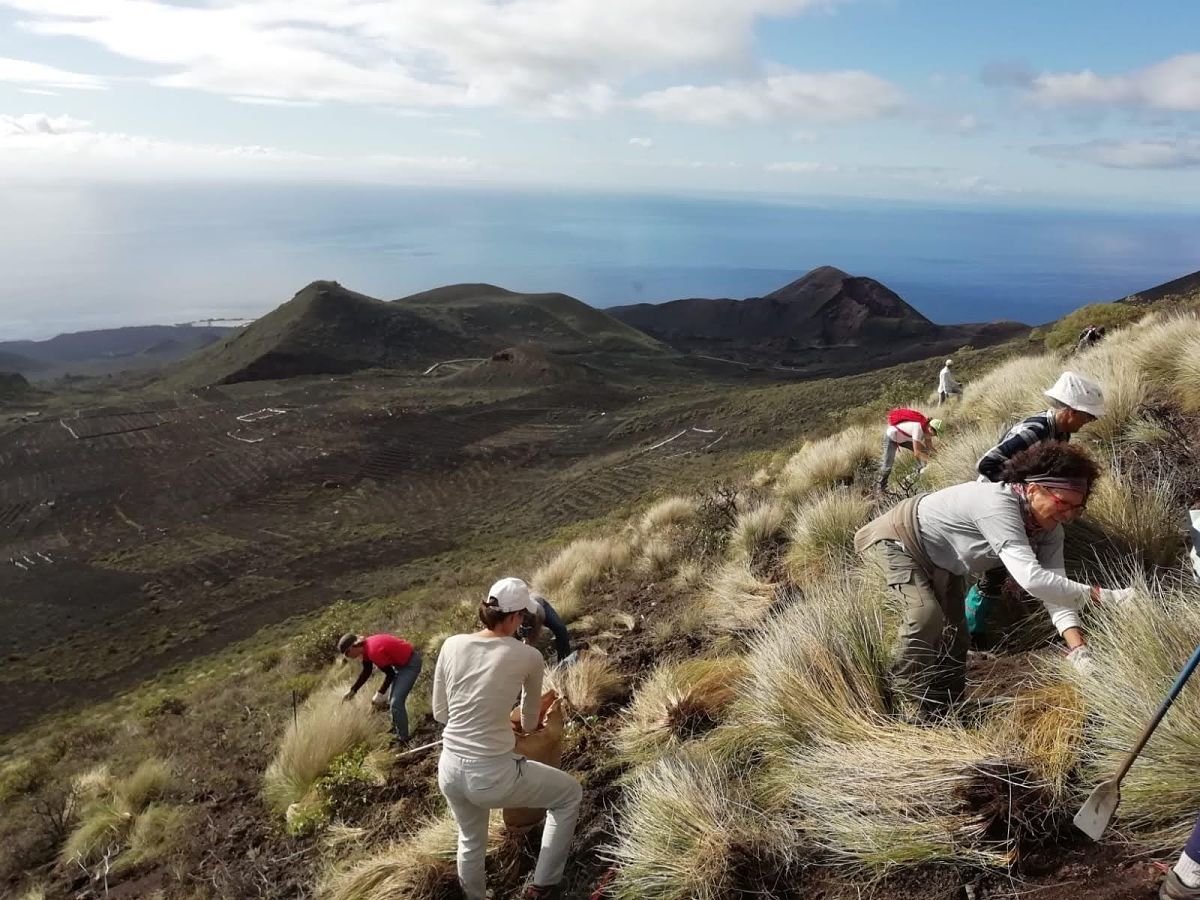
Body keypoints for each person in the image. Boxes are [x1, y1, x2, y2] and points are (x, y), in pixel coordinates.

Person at [855, 441, 1135, 720]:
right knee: (925, 616)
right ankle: (896, 705)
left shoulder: (1049, 529)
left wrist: (1078, 648)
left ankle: (942, 711)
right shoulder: (998, 505)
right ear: (1034, 489)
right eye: (1064, 505)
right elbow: (1032, 579)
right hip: (899, 539)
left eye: (1077, 509)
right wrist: (1108, 597)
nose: (1069, 516)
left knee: (956, 636)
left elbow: (1055, 590)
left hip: (944, 562)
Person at [433, 577, 582, 900]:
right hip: (492, 775)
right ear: (516, 617)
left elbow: (440, 714)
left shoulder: (451, 644)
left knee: (471, 840)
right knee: (569, 795)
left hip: (449, 771)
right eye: (523, 618)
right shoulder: (528, 657)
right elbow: (528, 725)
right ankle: (541, 887)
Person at [968, 372, 1107, 640]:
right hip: (999, 505)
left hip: (1026, 506)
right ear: (1069, 410)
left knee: (1020, 566)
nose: (1088, 422)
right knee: (995, 570)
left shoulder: (1061, 432)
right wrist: (1021, 489)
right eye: (1086, 416)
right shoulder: (1035, 431)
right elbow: (986, 464)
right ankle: (974, 633)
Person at [339, 632, 423, 742]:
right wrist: (353, 691)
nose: (348, 657)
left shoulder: (373, 651)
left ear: (352, 647)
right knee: (392, 700)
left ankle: (403, 738)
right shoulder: (366, 647)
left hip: (410, 665)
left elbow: (390, 674)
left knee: (396, 703)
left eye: (347, 654)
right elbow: (367, 671)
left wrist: (379, 693)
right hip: (401, 665)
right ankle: (395, 729)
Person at [878, 409, 943, 492]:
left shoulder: (928, 431)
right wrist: (933, 461)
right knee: (888, 465)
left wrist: (940, 459)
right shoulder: (918, 428)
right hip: (892, 437)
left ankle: (920, 472)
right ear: (931, 428)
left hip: (904, 439)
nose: (935, 436)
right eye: (936, 433)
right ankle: (880, 488)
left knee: (925, 452)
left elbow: (930, 448)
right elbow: (917, 453)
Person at [518, 593, 572, 662]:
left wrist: (529, 643)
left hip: (541, 604)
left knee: (560, 628)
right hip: (523, 615)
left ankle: (564, 660)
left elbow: (535, 636)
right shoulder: (514, 616)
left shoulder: (540, 613)